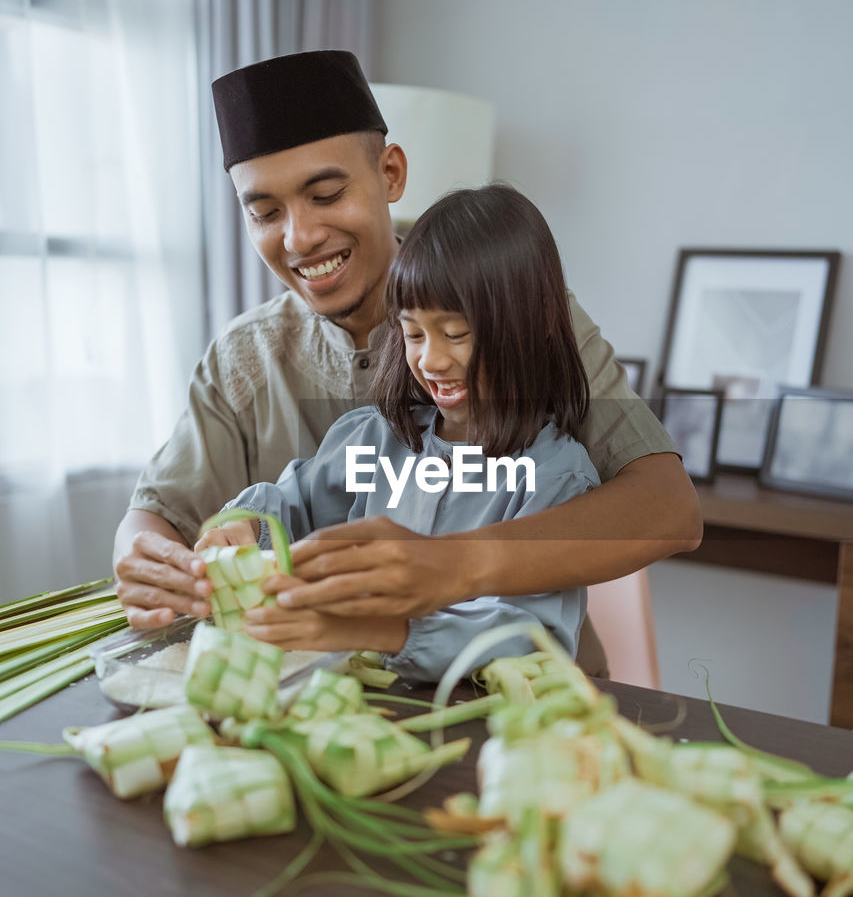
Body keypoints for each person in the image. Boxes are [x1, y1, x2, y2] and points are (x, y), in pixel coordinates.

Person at [113, 50, 702, 675]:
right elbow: (165, 516)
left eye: (327, 193)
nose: (299, 237)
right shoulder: (250, 361)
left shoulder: (519, 315)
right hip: (336, 695)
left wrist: (447, 566)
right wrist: (158, 563)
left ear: (391, 174)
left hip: (519, 704)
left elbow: (668, 507)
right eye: (264, 214)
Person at [195, 183, 599, 680]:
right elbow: (292, 507)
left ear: (531, 324)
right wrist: (248, 528)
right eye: (412, 334)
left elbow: (530, 638)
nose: (430, 359)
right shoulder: (373, 439)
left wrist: (388, 630)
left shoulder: (557, 478)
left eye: (455, 334)